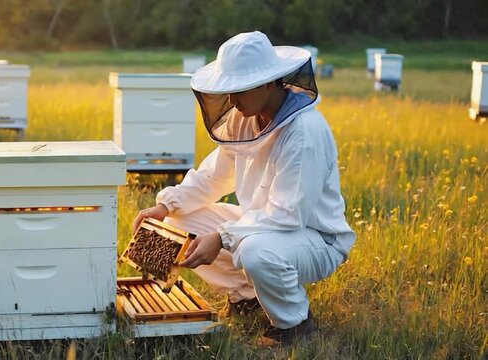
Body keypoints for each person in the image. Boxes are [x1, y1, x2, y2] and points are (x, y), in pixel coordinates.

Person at [132, 31, 355, 346]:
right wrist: (167, 205)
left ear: (268, 82)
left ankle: (294, 324)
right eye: (228, 91)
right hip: (263, 225)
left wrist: (223, 237)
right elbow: (213, 177)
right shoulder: (243, 119)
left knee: (253, 251)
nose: (232, 101)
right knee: (180, 222)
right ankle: (247, 296)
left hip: (315, 237)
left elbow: (287, 214)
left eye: (239, 91)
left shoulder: (305, 134)